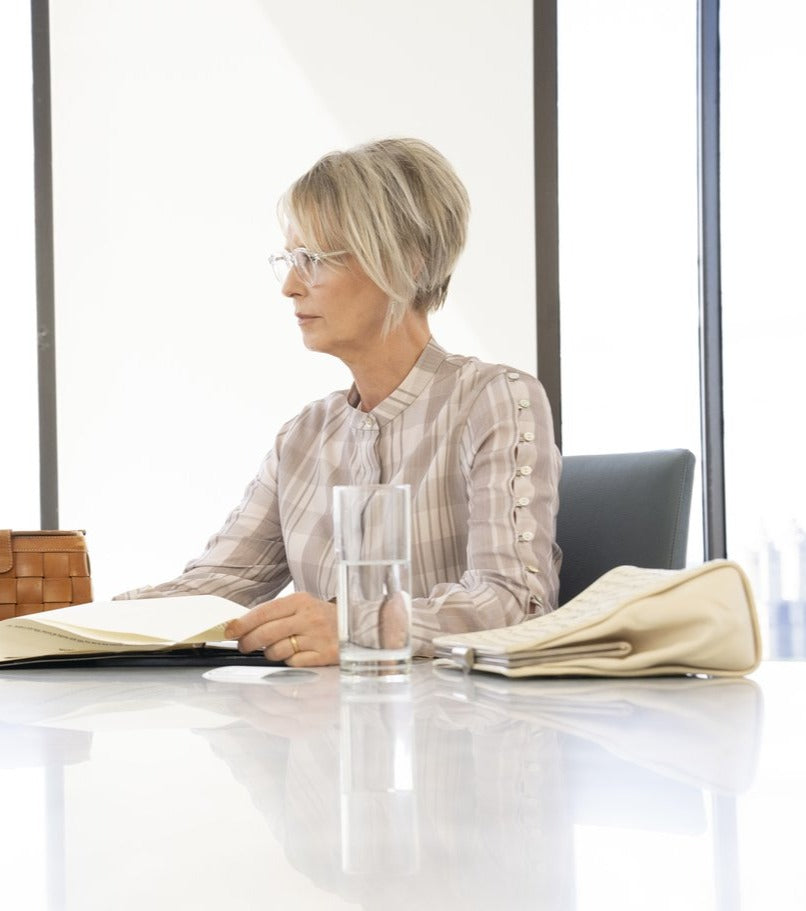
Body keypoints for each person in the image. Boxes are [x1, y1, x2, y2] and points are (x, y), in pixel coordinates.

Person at [116, 138, 562, 665]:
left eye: (313, 259)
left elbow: (515, 606)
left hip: (457, 737)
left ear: (408, 266)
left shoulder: (494, 400)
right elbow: (216, 586)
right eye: (288, 258)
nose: (289, 286)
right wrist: (64, 625)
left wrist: (358, 627)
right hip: (324, 731)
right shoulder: (303, 437)